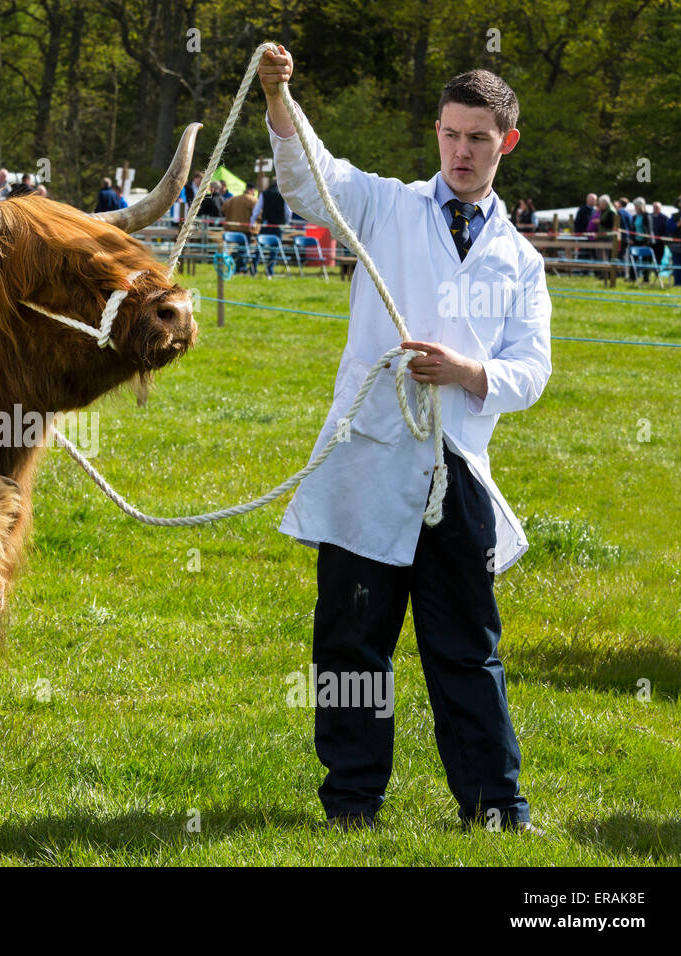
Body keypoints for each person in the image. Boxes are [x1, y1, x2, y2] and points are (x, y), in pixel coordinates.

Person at [259, 45, 550, 833]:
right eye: (452, 135)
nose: (461, 152)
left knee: (466, 649)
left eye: (479, 139)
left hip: (456, 473)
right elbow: (308, 176)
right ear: (437, 133)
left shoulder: (520, 261)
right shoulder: (386, 206)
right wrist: (280, 96)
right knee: (352, 645)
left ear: (506, 144)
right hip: (367, 465)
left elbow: (532, 369)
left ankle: (496, 806)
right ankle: (352, 803)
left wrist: (468, 372)